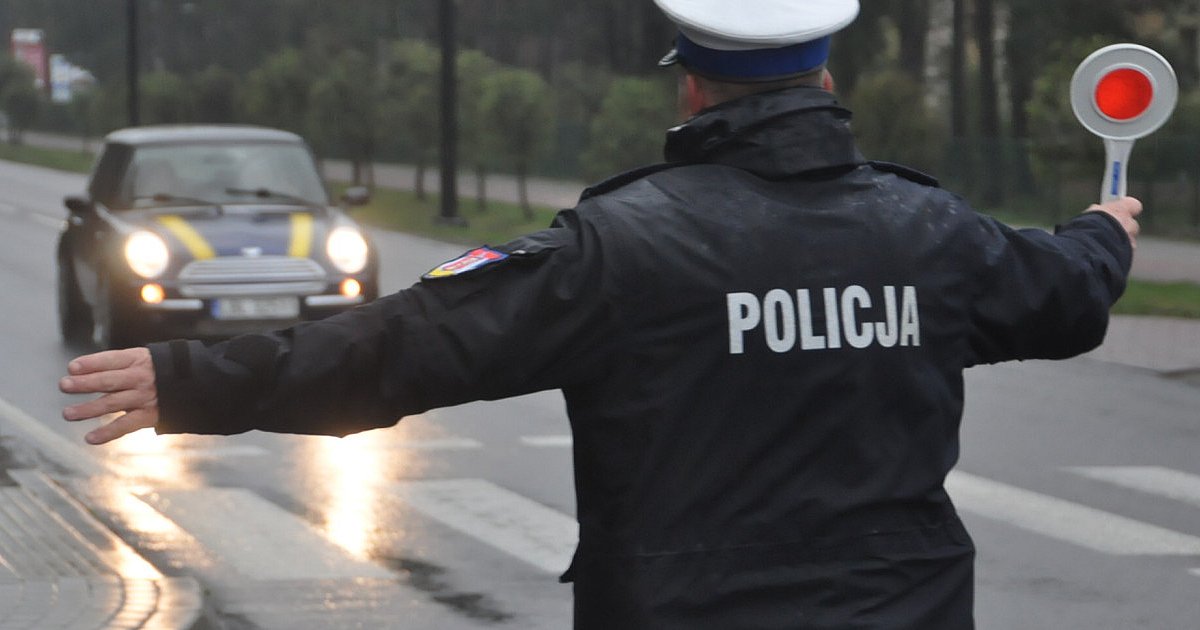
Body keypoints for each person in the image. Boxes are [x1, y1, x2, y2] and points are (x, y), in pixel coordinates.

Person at [60, 0, 1142, 627]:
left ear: (693, 85)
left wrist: (192, 379)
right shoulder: (931, 231)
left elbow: (407, 349)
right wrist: (1108, 230)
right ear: (823, 74)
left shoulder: (624, 246)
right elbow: (1067, 294)